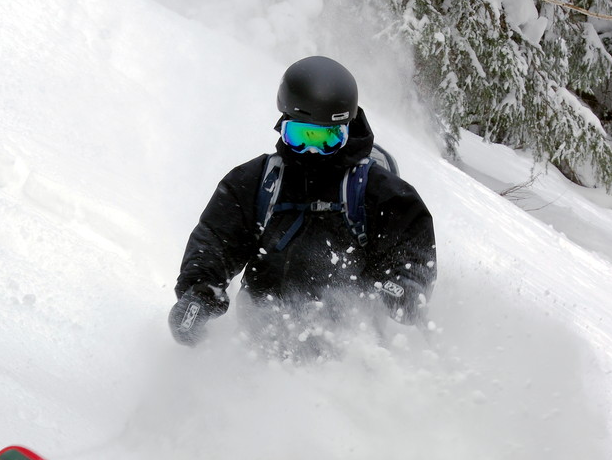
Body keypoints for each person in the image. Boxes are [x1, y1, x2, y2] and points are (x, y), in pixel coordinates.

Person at [168, 56, 436, 351]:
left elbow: (411, 248)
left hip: (351, 350)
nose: (312, 151)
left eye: (327, 139)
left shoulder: (378, 192)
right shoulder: (259, 182)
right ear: (282, 126)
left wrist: (406, 285)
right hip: (261, 341)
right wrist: (199, 293)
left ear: (347, 130)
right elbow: (216, 241)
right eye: (299, 136)